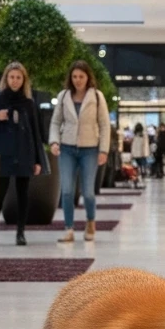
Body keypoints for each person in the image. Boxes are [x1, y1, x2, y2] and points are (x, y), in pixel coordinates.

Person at [0, 61, 46, 246]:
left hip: (23, 152)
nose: (15, 81)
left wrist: (37, 160)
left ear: (23, 80)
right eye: (12, 77)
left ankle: (20, 232)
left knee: (23, 194)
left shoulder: (28, 102)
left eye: (19, 77)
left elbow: (35, 132)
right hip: (2, 152)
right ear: (6, 78)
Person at [49, 58, 111, 243]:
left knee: (88, 192)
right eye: (74, 76)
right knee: (67, 190)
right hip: (67, 148)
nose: (78, 80)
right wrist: (54, 141)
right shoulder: (63, 96)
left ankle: (90, 221)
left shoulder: (97, 97)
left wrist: (104, 150)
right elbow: (55, 121)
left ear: (87, 77)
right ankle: (69, 229)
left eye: (81, 76)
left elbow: (105, 125)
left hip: (90, 149)